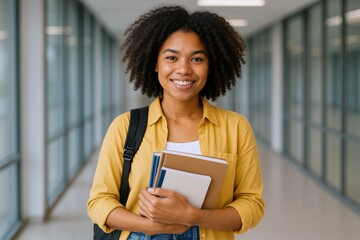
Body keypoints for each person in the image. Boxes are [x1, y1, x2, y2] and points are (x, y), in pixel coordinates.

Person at [87, 5, 264, 240]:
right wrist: (147, 226)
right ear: (156, 63)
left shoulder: (236, 127)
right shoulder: (124, 126)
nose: (183, 69)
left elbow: (252, 205)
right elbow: (99, 203)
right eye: (171, 57)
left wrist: (193, 217)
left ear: (210, 66)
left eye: (197, 59)